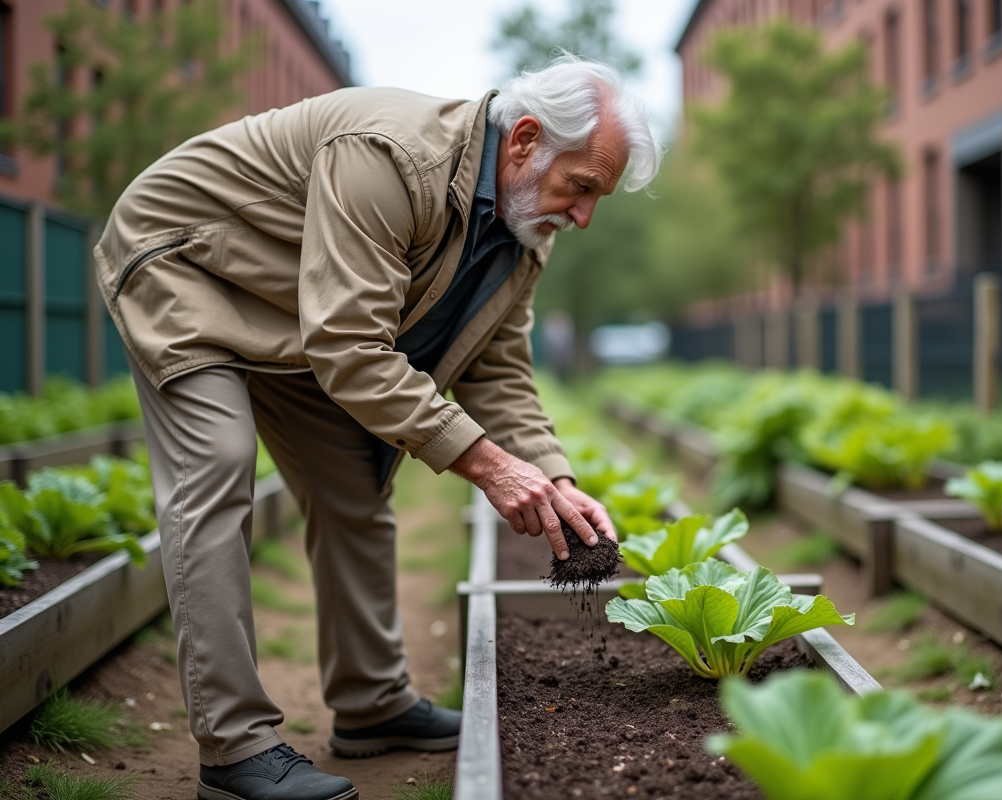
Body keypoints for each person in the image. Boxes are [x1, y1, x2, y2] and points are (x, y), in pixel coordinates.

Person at [95, 55, 661, 800]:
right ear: (524, 140)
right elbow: (350, 350)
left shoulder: (525, 228)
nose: (583, 215)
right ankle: (234, 750)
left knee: (355, 484)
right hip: (191, 265)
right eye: (581, 186)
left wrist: (552, 475)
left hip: (294, 314)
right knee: (217, 468)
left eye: (598, 198)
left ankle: (373, 705)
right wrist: (488, 465)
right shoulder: (393, 158)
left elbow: (498, 371)